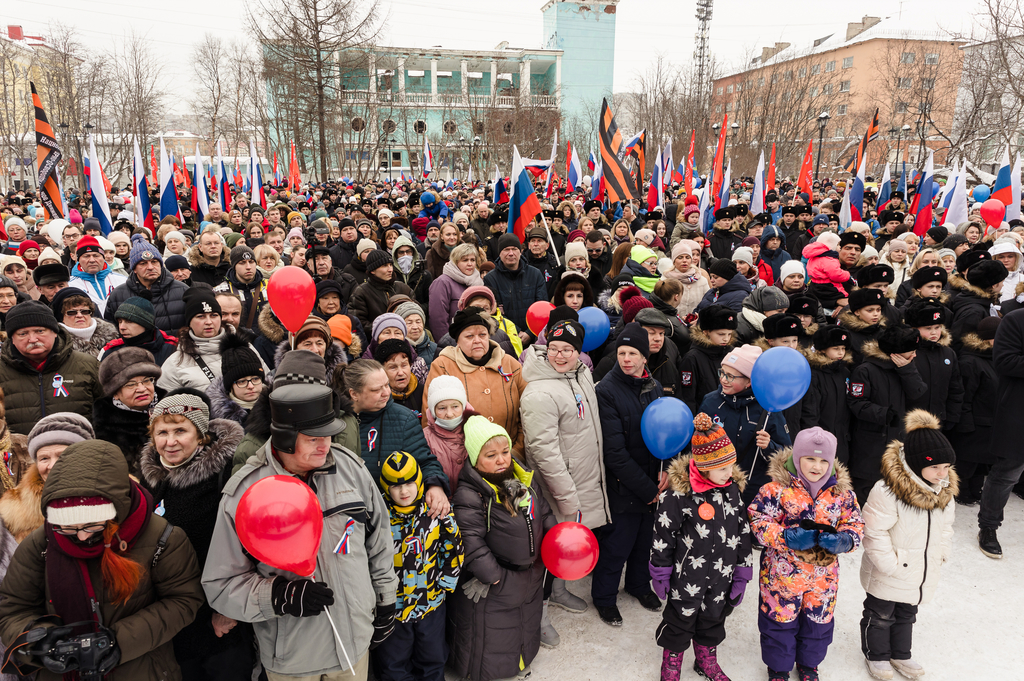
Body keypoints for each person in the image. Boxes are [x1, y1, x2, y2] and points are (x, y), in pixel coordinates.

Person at [202, 383, 398, 680]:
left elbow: (379, 539)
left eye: (328, 435)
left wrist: (385, 599)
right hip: (292, 659)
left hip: (354, 646)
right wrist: (278, 596)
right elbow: (221, 584)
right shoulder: (244, 492)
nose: (325, 445)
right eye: (313, 438)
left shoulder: (350, 469)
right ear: (285, 438)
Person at [0, 439, 204, 680]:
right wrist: (39, 640)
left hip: (140, 669)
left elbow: (183, 600)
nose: (81, 535)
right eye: (67, 527)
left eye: (93, 525)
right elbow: (13, 608)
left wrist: (119, 642)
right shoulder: (41, 542)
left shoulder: (162, 538)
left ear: (117, 511)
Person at [747, 428, 864, 681]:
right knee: (779, 624)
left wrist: (845, 540)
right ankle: (778, 668)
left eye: (824, 461)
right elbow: (757, 521)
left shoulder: (842, 495)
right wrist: (784, 537)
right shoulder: (775, 490)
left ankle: (809, 665)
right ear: (797, 457)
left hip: (823, 581)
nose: (817, 466)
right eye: (810, 458)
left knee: (817, 625)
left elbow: (855, 524)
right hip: (781, 580)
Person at [519, 318, 610, 641]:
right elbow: (542, 451)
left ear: (578, 352)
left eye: (568, 350)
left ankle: (560, 590)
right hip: (558, 486)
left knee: (569, 544)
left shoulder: (581, 375)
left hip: (583, 476)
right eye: (554, 349)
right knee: (549, 551)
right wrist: (565, 494)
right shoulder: (539, 392)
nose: (560, 355)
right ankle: (540, 617)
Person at [447, 416, 554, 681]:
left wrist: (555, 538)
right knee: (493, 628)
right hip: (497, 579)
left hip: (531, 573)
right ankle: (482, 672)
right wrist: (492, 574)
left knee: (524, 620)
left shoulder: (524, 480)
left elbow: (544, 511)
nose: (501, 460)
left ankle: (520, 660)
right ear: (475, 459)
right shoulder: (471, 494)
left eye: (505, 452)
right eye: (491, 455)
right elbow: (470, 538)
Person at [650, 413, 754, 681]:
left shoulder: (732, 491)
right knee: (679, 621)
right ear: (704, 466)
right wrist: (660, 572)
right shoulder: (678, 496)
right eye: (722, 469)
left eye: (731, 466)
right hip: (687, 578)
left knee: (713, 618)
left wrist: (742, 572)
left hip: (722, 576)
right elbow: (663, 535)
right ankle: (672, 663)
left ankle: (706, 659)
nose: (729, 473)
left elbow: (743, 533)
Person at [859, 410, 957, 681]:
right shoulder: (888, 491)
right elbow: (874, 530)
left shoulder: (944, 493)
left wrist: (940, 554)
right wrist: (889, 563)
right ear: (916, 463)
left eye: (946, 467)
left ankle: (901, 653)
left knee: (907, 612)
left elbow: (946, 528)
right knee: (880, 614)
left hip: (918, 570)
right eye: (935, 467)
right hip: (889, 568)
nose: (942, 473)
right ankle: (876, 654)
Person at [592, 323, 665, 626]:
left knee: (644, 541)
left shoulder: (654, 387)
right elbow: (614, 454)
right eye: (621, 352)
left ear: (645, 357)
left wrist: (666, 472)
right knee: (617, 546)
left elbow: (664, 434)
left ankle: (638, 585)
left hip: (652, 481)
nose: (626, 358)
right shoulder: (607, 390)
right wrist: (648, 489)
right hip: (623, 486)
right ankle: (605, 598)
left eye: (633, 353)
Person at [374, 452, 463, 681]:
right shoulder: (378, 517)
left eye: (409, 483)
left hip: (430, 602)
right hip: (395, 607)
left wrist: (445, 582)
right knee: (393, 662)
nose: (404, 491)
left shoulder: (435, 511)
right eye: (396, 486)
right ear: (385, 487)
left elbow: (452, 546)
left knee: (432, 656)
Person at [423, 307, 527, 456]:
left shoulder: (510, 364)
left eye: (482, 335)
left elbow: (528, 413)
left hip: (509, 455)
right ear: (458, 340)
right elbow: (430, 419)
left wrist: (517, 450)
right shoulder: (443, 366)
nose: (477, 340)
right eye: (469, 336)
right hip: (461, 459)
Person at [345, 359, 450, 506]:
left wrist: (435, 485)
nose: (386, 392)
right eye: (376, 389)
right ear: (354, 394)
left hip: (390, 512)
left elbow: (425, 461)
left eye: (386, 385)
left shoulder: (404, 419)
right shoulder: (337, 422)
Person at [700, 344, 792, 504]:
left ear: (749, 381)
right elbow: (696, 445)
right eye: (722, 373)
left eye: (730, 376)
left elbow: (787, 452)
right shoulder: (711, 402)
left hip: (753, 491)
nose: (723, 380)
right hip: (715, 487)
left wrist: (768, 446)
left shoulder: (768, 408)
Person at [847, 324, 928, 504]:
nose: (914, 355)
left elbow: (918, 392)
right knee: (867, 487)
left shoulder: (907, 367)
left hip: (898, 439)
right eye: (910, 351)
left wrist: (907, 370)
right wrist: (883, 414)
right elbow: (856, 402)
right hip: (871, 441)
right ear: (896, 353)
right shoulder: (866, 370)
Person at [0, 301, 101, 435]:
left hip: (80, 452)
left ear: (54, 332)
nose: (32, 339)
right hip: (18, 453)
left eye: (40, 331)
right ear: (12, 338)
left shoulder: (88, 365)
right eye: (23, 334)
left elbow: (109, 417)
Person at [0, 413, 94, 543]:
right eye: (44, 458)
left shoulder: (120, 491)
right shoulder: (13, 509)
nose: (53, 466)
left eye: (62, 456)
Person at [158, 288, 268, 393]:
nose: (209, 322)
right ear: (189, 322)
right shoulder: (175, 363)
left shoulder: (244, 346)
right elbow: (166, 407)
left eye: (214, 315)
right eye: (201, 316)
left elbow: (267, 382)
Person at [948, 316, 999, 506]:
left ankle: (974, 489)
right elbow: (964, 396)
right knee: (967, 462)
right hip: (974, 424)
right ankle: (961, 491)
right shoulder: (971, 361)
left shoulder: (996, 356)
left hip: (989, 422)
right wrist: (966, 424)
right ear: (987, 338)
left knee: (980, 462)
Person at [93, 347, 162, 473]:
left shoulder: (174, 409)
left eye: (147, 380)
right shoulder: (105, 430)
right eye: (131, 384)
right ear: (116, 394)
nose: (141, 389)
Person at [104, 235, 189, 333]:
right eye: (143, 263)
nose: (150, 267)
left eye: (154, 262)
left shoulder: (182, 290)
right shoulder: (118, 295)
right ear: (134, 269)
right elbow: (111, 332)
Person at [903, 300, 963, 426]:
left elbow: (955, 389)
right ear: (914, 329)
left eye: (937, 327)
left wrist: (951, 417)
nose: (934, 332)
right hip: (910, 421)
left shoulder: (948, 353)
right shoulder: (908, 353)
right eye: (928, 328)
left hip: (939, 420)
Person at [801, 325, 854, 463]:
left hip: (842, 437)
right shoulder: (814, 374)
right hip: (820, 437)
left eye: (843, 348)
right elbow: (810, 410)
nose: (840, 353)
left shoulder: (845, 372)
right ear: (822, 350)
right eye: (836, 349)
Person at [484, 233, 548, 342]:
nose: (510, 253)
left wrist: (530, 333)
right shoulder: (491, 279)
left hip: (534, 336)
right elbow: (495, 313)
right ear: (500, 253)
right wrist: (516, 332)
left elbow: (542, 307)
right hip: (506, 338)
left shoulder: (535, 274)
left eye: (514, 249)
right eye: (506, 249)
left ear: (520, 251)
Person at [422, 376, 477, 496]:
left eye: (455, 406)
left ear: (463, 406)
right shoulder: (424, 438)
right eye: (442, 408)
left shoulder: (477, 431)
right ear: (433, 410)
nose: (449, 414)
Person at [680, 305, 738, 415]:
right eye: (721, 334)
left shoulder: (732, 353)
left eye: (729, 334)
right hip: (704, 417)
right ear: (706, 332)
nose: (726, 338)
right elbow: (688, 397)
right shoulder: (692, 358)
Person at [207, 332, 267, 427]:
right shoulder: (217, 421)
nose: (251, 386)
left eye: (255, 379)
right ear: (230, 385)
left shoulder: (278, 407)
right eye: (242, 381)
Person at [427, 242, 484, 341]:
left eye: (472, 260)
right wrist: (448, 344)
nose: (470, 264)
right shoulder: (442, 282)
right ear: (455, 262)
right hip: (454, 341)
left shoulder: (478, 281)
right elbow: (438, 320)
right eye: (465, 260)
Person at [98, 296, 178, 365]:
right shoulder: (110, 351)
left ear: (146, 324)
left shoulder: (174, 348)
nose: (122, 327)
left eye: (129, 322)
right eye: (120, 322)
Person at [349, 249, 414, 332]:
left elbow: (416, 313)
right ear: (372, 270)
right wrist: (384, 330)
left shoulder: (403, 288)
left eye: (390, 265)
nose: (390, 269)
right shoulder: (361, 292)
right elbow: (359, 322)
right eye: (384, 266)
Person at [66, 235, 128, 316]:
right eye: (86, 256)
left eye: (96, 255)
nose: (92, 260)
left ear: (103, 258)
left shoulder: (122, 280)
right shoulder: (70, 285)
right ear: (78, 260)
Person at [50, 286, 118, 357]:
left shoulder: (111, 335)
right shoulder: (57, 344)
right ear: (61, 317)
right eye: (72, 312)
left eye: (85, 311)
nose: (79, 315)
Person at [213, 244, 268, 331]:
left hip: (265, 341)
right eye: (242, 263)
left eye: (251, 262)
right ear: (234, 266)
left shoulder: (270, 287)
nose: (248, 267)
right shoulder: (219, 291)